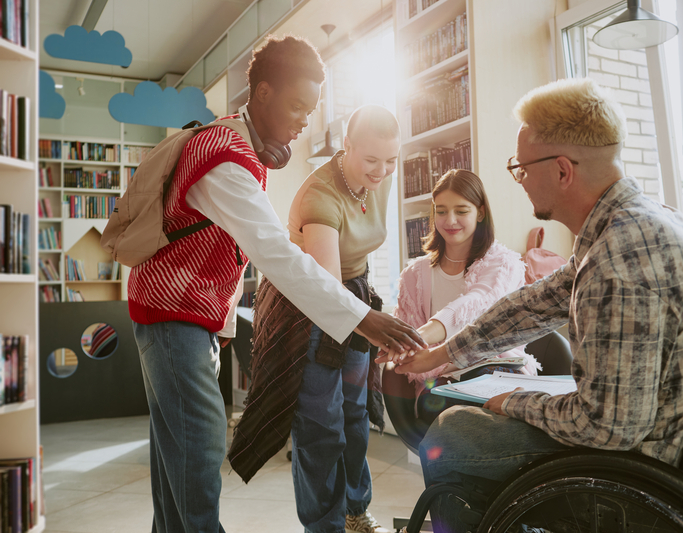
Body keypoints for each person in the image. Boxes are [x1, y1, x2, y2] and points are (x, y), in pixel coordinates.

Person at [379, 77, 683, 532]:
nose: (518, 180)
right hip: (659, 432)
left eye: (521, 168)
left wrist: (515, 401)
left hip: (651, 469)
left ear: (561, 170)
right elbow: (533, 305)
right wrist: (440, 355)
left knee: (452, 434)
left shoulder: (620, 259)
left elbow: (608, 429)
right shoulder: (627, 226)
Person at [127, 35, 424, 533]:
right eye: (297, 107)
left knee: (174, 469)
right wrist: (364, 317)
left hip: (182, 319)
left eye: (311, 111)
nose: (304, 121)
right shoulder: (225, 158)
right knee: (197, 462)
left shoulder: (237, 146)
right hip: (172, 317)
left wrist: (219, 330)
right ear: (261, 94)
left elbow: (225, 255)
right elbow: (279, 258)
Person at [229, 104, 400, 533]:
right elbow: (327, 287)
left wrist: (371, 309)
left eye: (391, 160)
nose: (382, 171)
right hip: (307, 309)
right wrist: (373, 323)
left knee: (354, 418)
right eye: (372, 160)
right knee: (322, 428)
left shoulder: (379, 177)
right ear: (347, 146)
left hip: (352, 298)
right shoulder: (320, 195)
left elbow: (359, 256)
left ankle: (355, 512)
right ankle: (324, 527)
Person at [394, 169, 540, 424]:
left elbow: (475, 303)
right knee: (457, 419)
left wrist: (422, 335)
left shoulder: (502, 264)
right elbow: (405, 333)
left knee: (488, 420)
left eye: (461, 211)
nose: (450, 220)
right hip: (441, 380)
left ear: (480, 213)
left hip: (497, 370)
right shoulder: (414, 275)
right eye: (441, 211)